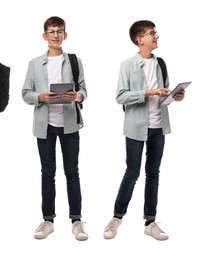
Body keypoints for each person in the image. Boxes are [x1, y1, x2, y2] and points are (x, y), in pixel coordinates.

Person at [103, 20, 185, 241]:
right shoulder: (127, 65)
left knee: (153, 174)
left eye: (155, 32)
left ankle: (150, 222)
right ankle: (116, 218)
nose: (156, 36)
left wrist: (174, 96)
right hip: (135, 127)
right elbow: (120, 96)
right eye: (151, 33)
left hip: (159, 126)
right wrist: (148, 92)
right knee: (132, 173)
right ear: (140, 40)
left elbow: (164, 95)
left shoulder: (161, 64)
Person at [22, 16, 88, 241]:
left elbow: (84, 91)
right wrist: (40, 96)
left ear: (65, 35)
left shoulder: (74, 61)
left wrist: (77, 96)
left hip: (69, 124)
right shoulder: (34, 64)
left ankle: (77, 220)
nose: (56, 35)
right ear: (45, 36)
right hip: (45, 125)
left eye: (59, 31)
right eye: (51, 31)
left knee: (72, 173)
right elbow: (25, 94)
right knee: (47, 174)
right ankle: (48, 220)